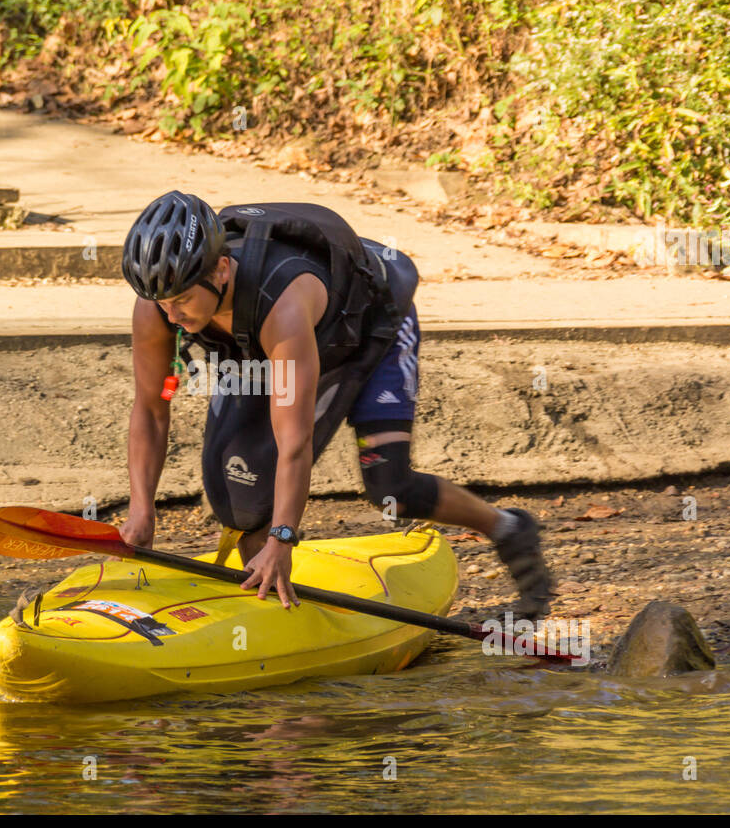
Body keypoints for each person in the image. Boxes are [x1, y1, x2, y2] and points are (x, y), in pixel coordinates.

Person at [118, 189, 556, 618]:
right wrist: (141, 511)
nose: (171, 316)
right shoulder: (159, 304)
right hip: (268, 346)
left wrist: (283, 537)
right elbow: (152, 411)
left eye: (181, 301)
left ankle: (509, 528)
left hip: (369, 328)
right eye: (161, 302)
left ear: (221, 270)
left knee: (391, 487)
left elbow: (293, 439)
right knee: (243, 502)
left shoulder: (282, 301)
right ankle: (270, 613)